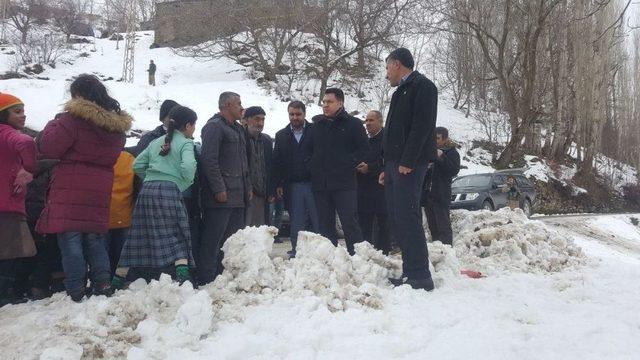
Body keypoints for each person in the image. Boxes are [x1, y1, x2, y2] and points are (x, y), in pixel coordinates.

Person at [36, 74, 132, 301]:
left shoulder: (71, 120)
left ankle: (76, 290)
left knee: (71, 240)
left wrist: (56, 121)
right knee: (96, 239)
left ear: (77, 96)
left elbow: (49, 147)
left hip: (71, 185)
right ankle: (102, 283)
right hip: (100, 186)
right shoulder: (115, 127)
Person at [113, 106, 198, 288]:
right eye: (194, 125)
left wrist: (151, 179)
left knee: (138, 234)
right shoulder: (185, 143)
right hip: (170, 191)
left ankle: (118, 277)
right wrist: (181, 183)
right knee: (177, 232)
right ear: (189, 125)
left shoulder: (156, 141)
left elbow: (137, 165)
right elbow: (189, 167)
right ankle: (182, 275)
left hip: (148, 191)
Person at [380, 48, 437, 291]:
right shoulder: (400, 91)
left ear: (396, 64)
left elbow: (422, 127)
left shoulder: (423, 86)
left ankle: (420, 276)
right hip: (396, 165)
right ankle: (409, 271)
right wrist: (387, 166)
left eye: (386, 68)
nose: (386, 74)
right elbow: (395, 132)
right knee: (398, 217)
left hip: (409, 165)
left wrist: (408, 161)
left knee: (409, 216)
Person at [198, 92, 250, 285]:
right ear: (227, 105)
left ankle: (223, 277)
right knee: (213, 239)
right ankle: (207, 278)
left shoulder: (237, 129)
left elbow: (244, 162)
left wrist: (248, 187)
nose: (241, 107)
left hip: (238, 195)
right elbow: (209, 161)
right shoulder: (213, 127)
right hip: (221, 197)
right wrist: (219, 188)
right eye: (239, 104)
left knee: (231, 241)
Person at [310, 88, 368, 255]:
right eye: (324, 102)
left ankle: (356, 257)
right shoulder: (317, 125)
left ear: (340, 103)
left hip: (344, 183)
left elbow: (364, 149)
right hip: (321, 184)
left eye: (329, 102)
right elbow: (309, 151)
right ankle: (330, 259)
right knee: (325, 225)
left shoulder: (353, 124)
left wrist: (347, 163)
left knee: (349, 223)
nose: (325, 105)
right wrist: (312, 166)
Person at [0, 93, 37, 306]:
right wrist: (29, 169)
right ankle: (4, 296)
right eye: (17, 111)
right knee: (11, 253)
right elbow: (26, 142)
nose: (23, 116)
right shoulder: (7, 133)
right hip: (7, 205)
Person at [272, 101, 318, 257]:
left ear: (304, 114)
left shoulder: (316, 131)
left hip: (315, 184)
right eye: (291, 114)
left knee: (318, 220)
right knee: (296, 222)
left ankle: (320, 252)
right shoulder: (281, 135)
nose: (295, 117)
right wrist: (278, 184)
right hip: (293, 186)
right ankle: (296, 251)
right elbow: (277, 162)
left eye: (298, 114)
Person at [357, 110, 390, 254]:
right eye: (366, 121)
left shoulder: (387, 139)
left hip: (381, 189)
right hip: (363, 189)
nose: (368, 124)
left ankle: (383, 253)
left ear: (380, 121)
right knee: (364, 223)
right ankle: (366, 254)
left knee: (383, 224)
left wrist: (370, 168)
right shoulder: (364, 140)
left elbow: (388, 162)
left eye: (371, 120)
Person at [422, 127, 460, 246]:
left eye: (438, 138)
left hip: (441, 195)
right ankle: (437, 249)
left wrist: (441, 157)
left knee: (443, 226)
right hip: (428, 195)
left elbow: (453, 170)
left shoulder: (452, 153)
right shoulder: (429, 152)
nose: (435, 141)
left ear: (445, 139)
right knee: (432, 226)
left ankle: (447, 250)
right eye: (433, 138)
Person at [106, 149, 138, 275]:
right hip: (125, 213)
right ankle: (121, 278)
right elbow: (137, 185)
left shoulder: (98, 155)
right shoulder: (129, 159)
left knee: (102, 252)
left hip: (103, 214)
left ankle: (103, 279)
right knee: (122, 252)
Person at [243, 106, 274, 226]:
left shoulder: (266, 140)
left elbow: (270, 167)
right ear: (246, 120)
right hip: (246, 193)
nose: (260, 123)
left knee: (260, 232)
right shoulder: (240, 137)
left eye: (263, 120)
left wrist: (271, 191)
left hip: (263, 195)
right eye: (257, 119)